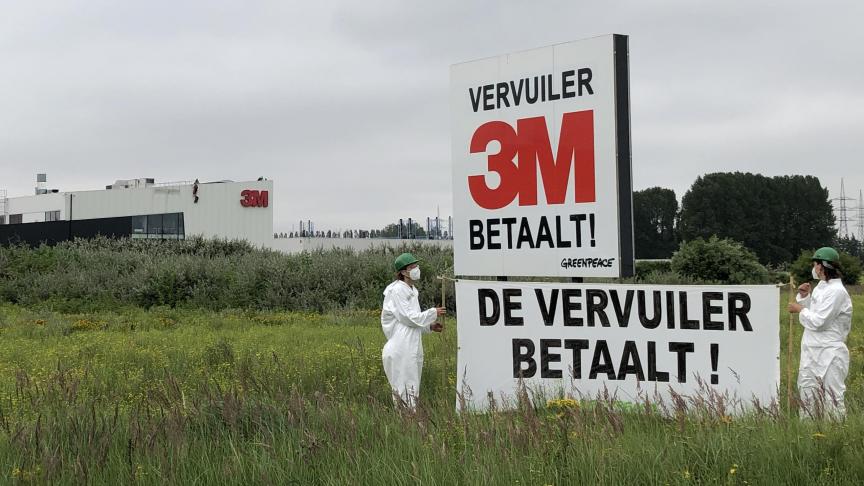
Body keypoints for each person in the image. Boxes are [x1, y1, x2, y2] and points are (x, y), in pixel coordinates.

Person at [787, 247, 853, 419]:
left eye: (815, 264)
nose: (813, 268)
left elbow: (820, 322)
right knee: (808, 396)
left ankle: (834, 436)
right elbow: (815, 314)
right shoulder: (821, 287)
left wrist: (799, 308)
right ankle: (810, 437)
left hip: (830, 353)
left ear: (822, 266)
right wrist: (805, 297)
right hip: (811, 351)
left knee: (832, 399)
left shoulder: (837, 292)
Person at [380, 252, 446, 409]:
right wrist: (432, 313)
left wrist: (429, 326)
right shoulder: (396, 290)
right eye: (412, 267)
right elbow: (408, 318)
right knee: (404, 388)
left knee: (412, 386)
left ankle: (411, 421)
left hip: (411, 346)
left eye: (416, 266)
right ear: (403, 272)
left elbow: (411, 324)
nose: (416, 269)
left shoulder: (411, 290)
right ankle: (406, 421)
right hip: (401, 348)